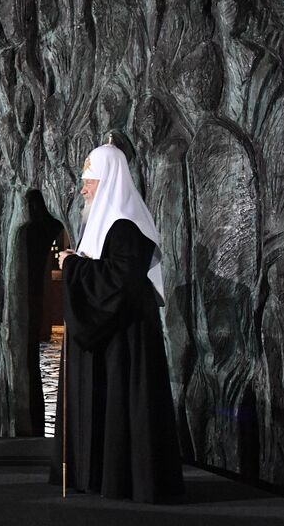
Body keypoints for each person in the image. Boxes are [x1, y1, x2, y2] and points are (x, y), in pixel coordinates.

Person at [51, 143, 184, 503]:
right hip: (108, 334)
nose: (83, 189)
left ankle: (122, 479)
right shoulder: (102, 223)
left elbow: (119, 280)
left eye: (89, 181)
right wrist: (77, 263)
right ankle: (93, 474)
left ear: (107, 181)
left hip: (124, 338)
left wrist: (73, 267)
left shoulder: (126, 226)